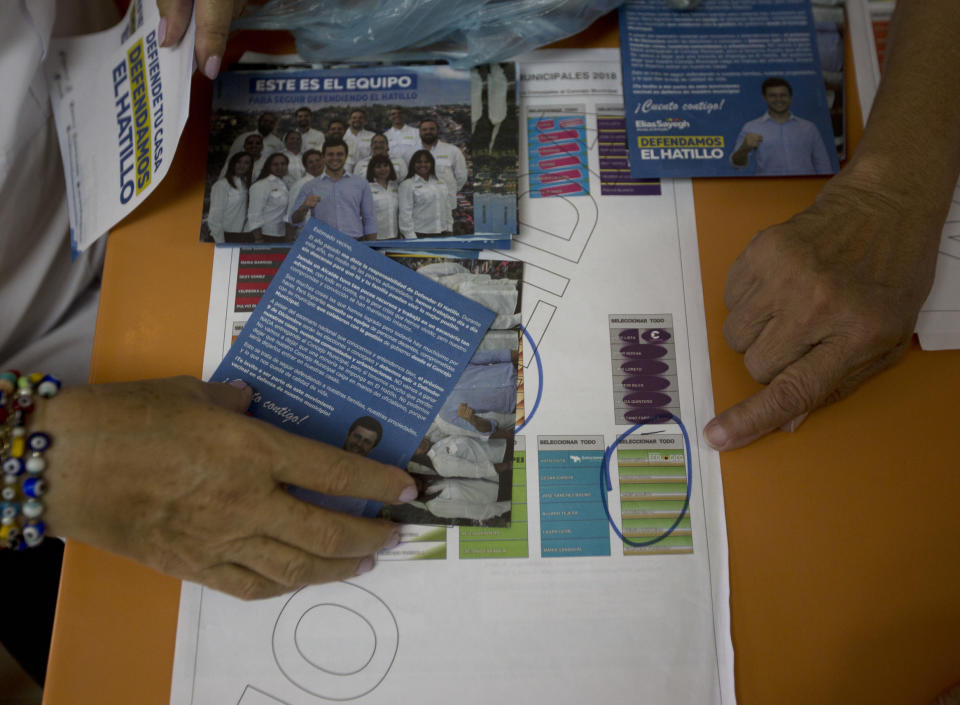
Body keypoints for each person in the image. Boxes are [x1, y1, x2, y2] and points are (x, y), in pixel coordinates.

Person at [730, 77, 834, 176]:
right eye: (772, 95)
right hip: (769, 190)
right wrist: (744, 148)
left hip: (805, 189)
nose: (778, 99)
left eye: (783, 95)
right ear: (765, 98)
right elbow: (736, 164)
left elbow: (823, 164)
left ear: (790, 97)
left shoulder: (809, 128)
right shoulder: (751, 127)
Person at [288, 138, 378, 240]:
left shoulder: (361, 183)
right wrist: (304, 207)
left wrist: (372, 247)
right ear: (323, 157)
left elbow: (369, 218)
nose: (335, 158)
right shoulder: (310, 186)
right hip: (323, 244)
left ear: (346, 156)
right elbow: (293, 220)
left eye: (339, 154)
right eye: (330, 154)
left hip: (355, 243)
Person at [408, 118, 467, 220]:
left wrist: (449, 191)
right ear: (419, 132)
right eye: (424, 129)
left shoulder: (453, 151)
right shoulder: (409, 152)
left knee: (447, 234)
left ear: (437, 131)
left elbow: (461, 177)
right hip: (419, 208)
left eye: (432, 129)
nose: (428, 132)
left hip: (446, 207)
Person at [397, 150, 451, 238]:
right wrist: (412, 239)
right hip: (419, 235)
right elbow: (405, 215)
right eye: (419, 162)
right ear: (413, 164)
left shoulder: (440, 182)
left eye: (426, 162)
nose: (423, 165)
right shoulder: (407, 184)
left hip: (443, 233)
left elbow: (447, 208)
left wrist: (449, 229)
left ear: (431, 164)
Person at [206, 151, 253, 243]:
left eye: (246, 163)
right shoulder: (221, 185)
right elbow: (214, 217)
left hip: (241, 235)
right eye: (239, 161)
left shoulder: (246, 184)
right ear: (232, 163)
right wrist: (220, 242)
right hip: (223, 236)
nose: (242, 165)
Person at [245, 153, 290, 242]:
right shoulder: (262, 185)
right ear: (268, 166)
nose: (280, 167)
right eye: (275, 164)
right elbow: (254, 214)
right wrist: (258, 238)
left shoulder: (284, 184)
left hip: (279, 234)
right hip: (263, 235)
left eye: (283, 164)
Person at [286, 148, 325, 238]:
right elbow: (290, 216)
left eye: (317, 160)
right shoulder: (300, 185)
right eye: (310, 162)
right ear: (305, 166)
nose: (315, 164)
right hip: (306, 235)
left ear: (323, 162)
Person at [365, 154, 400, 240]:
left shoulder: (395, 186)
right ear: (372, 169)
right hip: (376, 238)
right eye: (378, 167)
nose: (383, 169)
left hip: (395, 237)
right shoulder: (367, 188)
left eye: (385, 165)